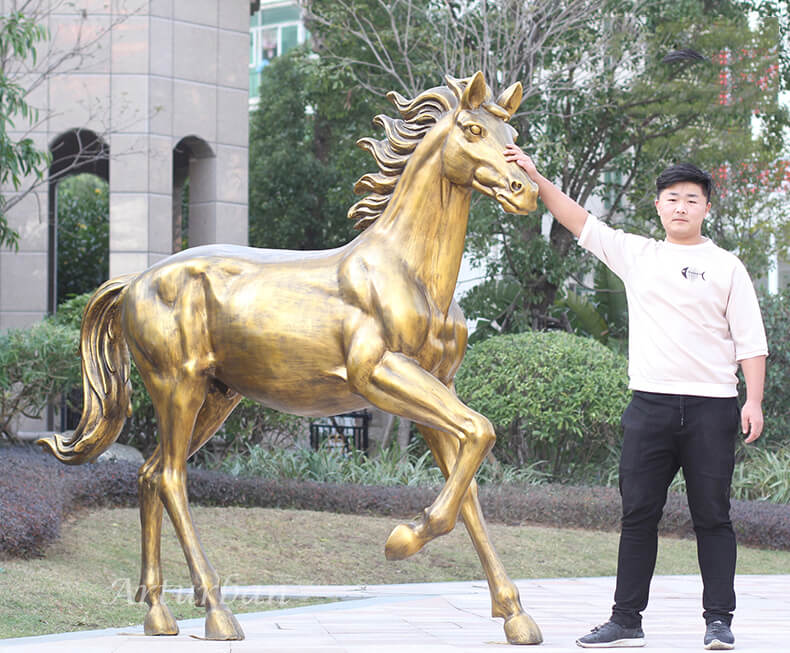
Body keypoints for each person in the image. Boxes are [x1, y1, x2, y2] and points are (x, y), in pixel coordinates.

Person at [504, 145, 768, 651]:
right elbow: (577, 219)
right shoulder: (638, 254)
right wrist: (534, 175)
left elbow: (751, 342)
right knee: (638, 515)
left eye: (692, 199)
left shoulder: (726, 266)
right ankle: (626, 620)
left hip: (713, 407)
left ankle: (718, 621)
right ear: (658, 207)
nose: (681, 207)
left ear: (706, 208)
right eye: (672, 198)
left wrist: (752, 401)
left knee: (712, 515)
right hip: (650, 407)